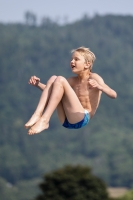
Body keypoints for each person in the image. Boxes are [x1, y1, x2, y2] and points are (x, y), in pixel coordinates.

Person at [25, 46, 117, 135]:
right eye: (71, 59)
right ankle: (37, 114)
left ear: (87, 64)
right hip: (65, 120)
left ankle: (45, 119)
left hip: (82, 118)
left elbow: (113, 94)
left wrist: (100, 87)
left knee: (60, 79)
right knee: (53, 79)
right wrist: (38, 84)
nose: (72, 62)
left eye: (76, 59)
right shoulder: (72, 81)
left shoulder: (94, 77)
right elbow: (54, 93)